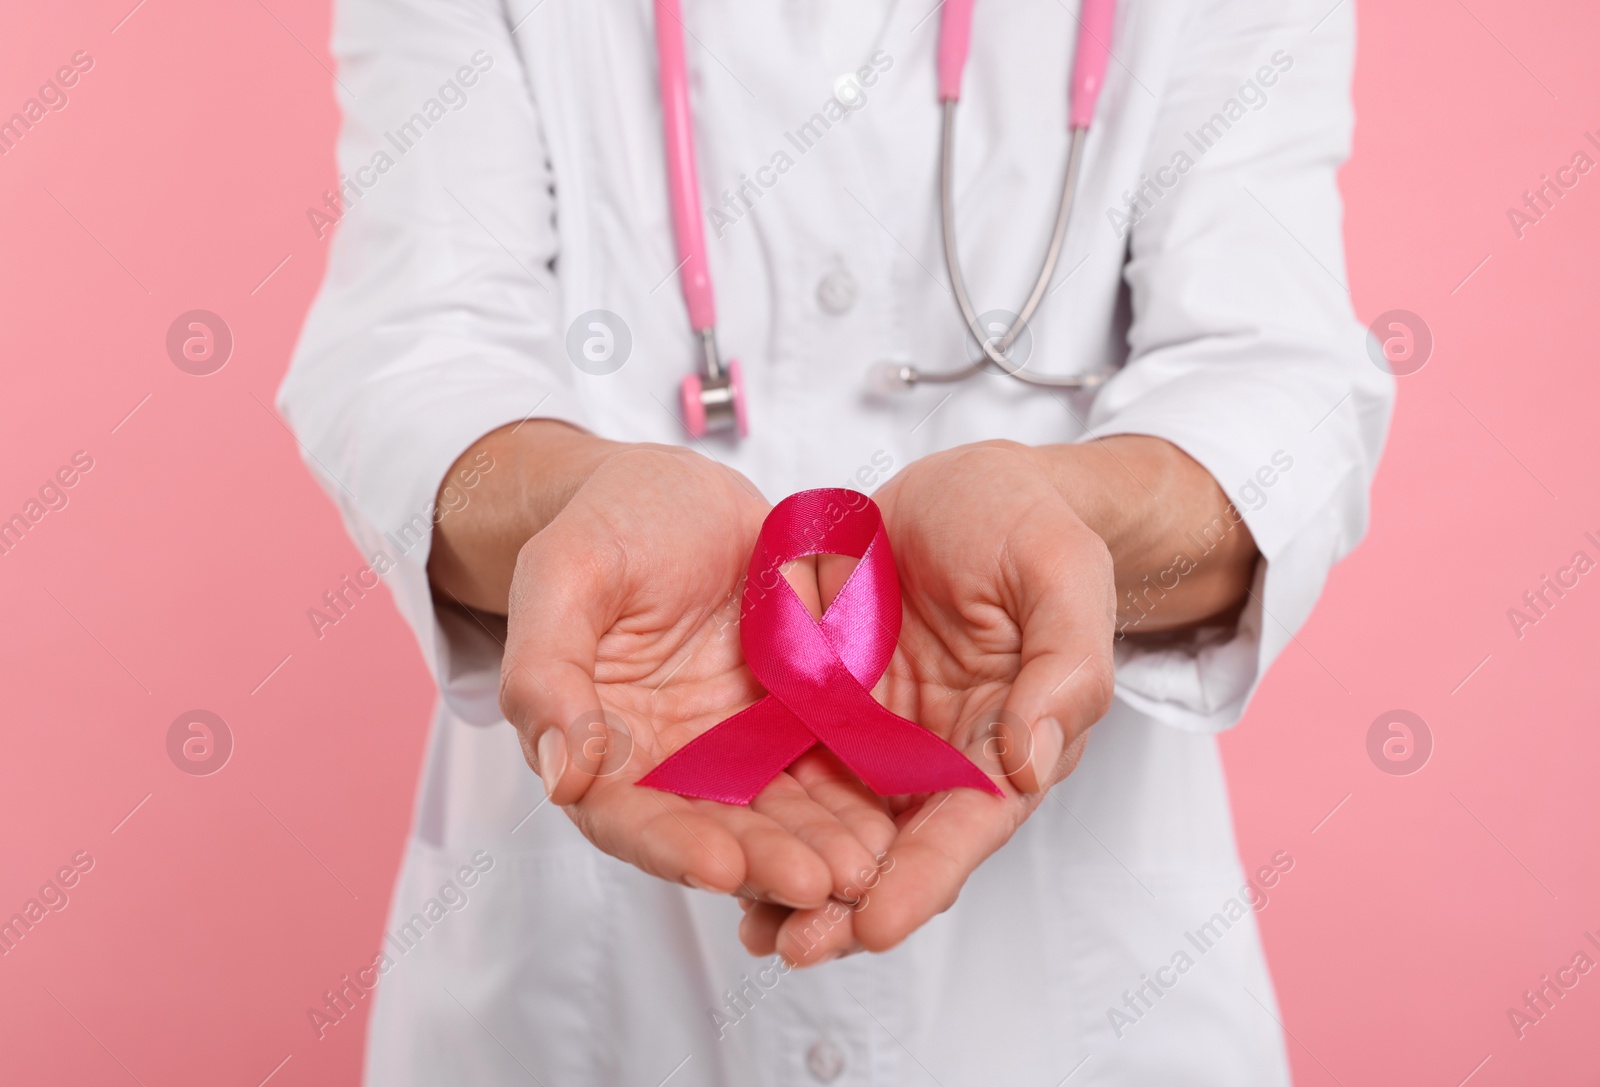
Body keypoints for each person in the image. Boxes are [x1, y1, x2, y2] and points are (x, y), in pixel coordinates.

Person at [279, 0, 1391, 1082]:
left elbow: (1276, 385)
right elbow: (411, 352)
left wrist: (1067, 529)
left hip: (1083, 1009)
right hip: (572, 990)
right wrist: (571, 508)